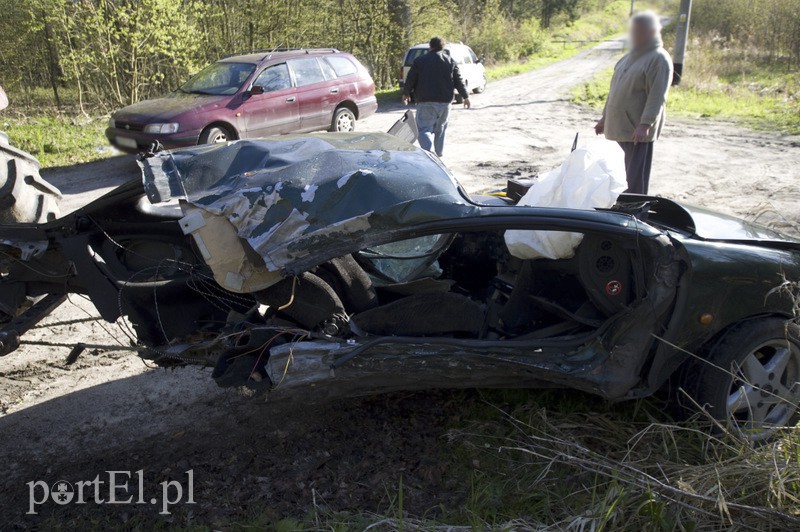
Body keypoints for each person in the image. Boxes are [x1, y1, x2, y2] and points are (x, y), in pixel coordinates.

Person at [595, 11, 673, 194]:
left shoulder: (659, 59)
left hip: (635, 133)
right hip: (618, 129)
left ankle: (633, 217)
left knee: (633, 182)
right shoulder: (628, 58)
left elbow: (657, 95)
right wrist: (604, 119)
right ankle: (613, 214)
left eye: (638, 31)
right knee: (615, 178)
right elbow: (614, 91)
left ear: (652, 32)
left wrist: (645, 124)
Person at [402, 37, 470, 157]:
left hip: (425, 101)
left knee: (423, 130)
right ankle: (439, 154)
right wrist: (465, 96)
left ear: (430, 46)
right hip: (445, 102)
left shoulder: (420, 61)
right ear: (443, 47)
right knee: (441, 129)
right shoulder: (450, 61)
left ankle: (430, 154)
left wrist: (406, 93)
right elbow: (458, 81)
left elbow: (411, 79)